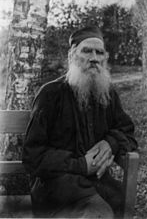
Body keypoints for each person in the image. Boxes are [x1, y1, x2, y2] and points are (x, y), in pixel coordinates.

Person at [22, 26, 138, 218]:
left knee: (116, 205)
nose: (94, 58)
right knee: (98, 213)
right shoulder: (50, 94)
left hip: (97, 184)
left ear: (104, 59)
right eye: (87, 51)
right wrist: (81, 165)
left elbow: (127, 132)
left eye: (99, 52)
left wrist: (111, 143)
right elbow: (32, 156)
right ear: (72, 56)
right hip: (57, 187)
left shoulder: (107, 94)